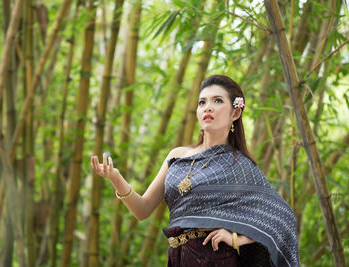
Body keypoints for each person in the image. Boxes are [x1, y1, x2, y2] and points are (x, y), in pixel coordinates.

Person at [91, 74, 299, 266]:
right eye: (202, 102)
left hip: (216, 257)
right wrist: (116, 178)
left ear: (235, 112)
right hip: (178, 256)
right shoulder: (177, 156)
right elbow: (143, 210)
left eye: (217, 101)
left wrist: (237, 239)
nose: (208, 107)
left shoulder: (239, 166)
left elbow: (282, 218)